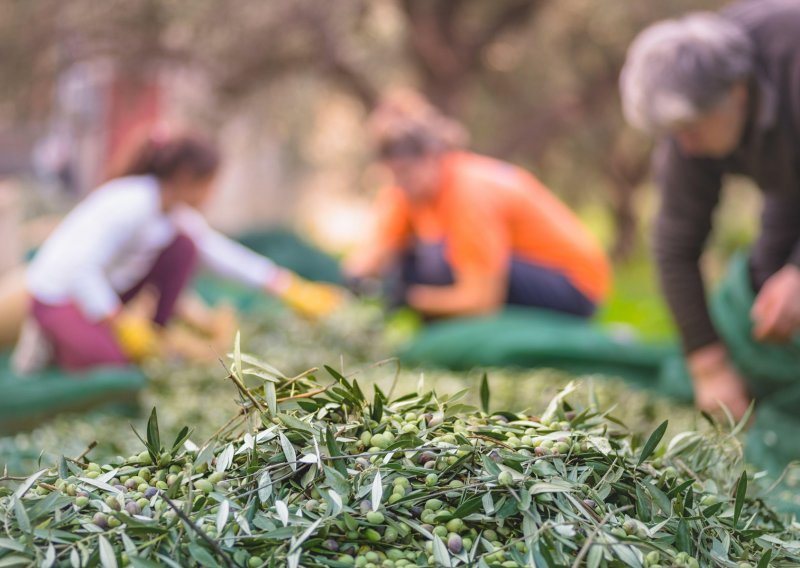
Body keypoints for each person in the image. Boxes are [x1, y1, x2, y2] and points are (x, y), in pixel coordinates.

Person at [18, 131, 342, 372]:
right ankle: (52, 341)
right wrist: (118, 322)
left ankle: (154, 335)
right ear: (188, 179)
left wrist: (290, 288)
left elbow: (222, 255)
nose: (212, 193)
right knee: (110, 365)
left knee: (183, 247)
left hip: (105, 291)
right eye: (210, 183)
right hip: (60, 296)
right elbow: (80, 268)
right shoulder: (130, 203)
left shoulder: (173, 213)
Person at [620, 0, 800, 420]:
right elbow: (674, 246)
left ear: (738, 94)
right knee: (767, 281)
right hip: (788, 177)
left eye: (690, 129)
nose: (685, 145)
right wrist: (708, 365)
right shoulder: (694, 117)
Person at [345, 90, 611, 319]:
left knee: (439, 264)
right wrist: (355, 281)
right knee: (417, 264)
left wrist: (410, 299)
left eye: (406, 172)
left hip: (575, 287)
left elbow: (481, 300)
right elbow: (378, 252)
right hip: (519, 273)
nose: (400, 182)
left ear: (434, 156)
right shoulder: (408, 192)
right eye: (393, 174)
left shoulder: (468, 192)